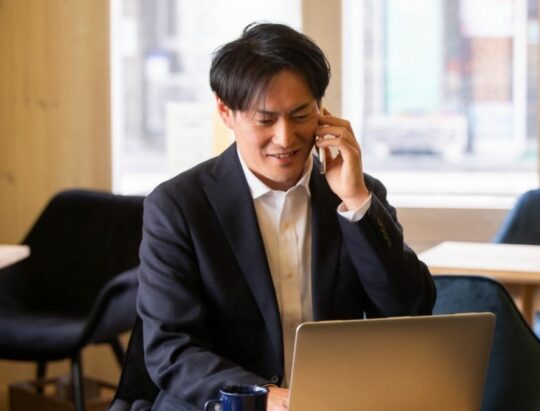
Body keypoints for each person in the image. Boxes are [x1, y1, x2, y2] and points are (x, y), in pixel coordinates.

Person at [137, 22, 435, 411]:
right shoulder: (177, 206)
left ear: (323, 113)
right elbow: (171, 349)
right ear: (226, 112)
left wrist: (356, 201)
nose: (285, 137)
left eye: (301, 115)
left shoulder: (356, 193)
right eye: (265, 120)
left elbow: (410, 311)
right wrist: (264, 398)